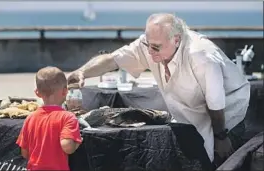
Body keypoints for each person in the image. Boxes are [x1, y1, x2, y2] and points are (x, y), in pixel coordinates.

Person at [67, 13, 250, 166]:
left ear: (176, 40)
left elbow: (215, 101)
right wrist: (82, 71)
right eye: (148, 44)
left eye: (156, 47)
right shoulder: (151, 44)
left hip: (226, 118)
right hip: (193, 116)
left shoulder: (200, 54)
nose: (151, 51)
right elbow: (114, 59)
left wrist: (220, 136)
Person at [16, 66, 83, 170]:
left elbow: (25, 153)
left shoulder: (30, 118)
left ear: (37, 93)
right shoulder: (68, 117)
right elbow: (68, 147)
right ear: (65, 91)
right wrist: (77, 142)